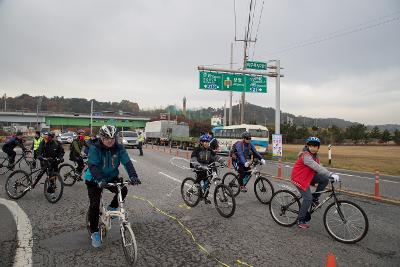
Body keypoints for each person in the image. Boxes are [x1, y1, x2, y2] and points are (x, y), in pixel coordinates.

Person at [85, 125, 141, 248]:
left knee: (124, 189)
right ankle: (94, 232)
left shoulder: (119, 148)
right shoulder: (95, 148)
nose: (110, 140)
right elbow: (93, 166)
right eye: (106, 138)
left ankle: (111, 208)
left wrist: (133, 176)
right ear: (101, 137)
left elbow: (127, 162)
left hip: (111, 177)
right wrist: (99, 180)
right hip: (94, 179)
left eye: (112, 138)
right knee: (94, 205)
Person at [290, 137, 340, 229]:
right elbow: (315, 166)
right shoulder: (305, 155)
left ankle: (315, 199)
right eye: (311, 146)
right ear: (308, 146)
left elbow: (319, 166)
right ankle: (300, 219)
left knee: (325, 179)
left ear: (318, 148)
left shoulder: (315, 156)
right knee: (307, 198)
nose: (313, 148)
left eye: (315, 146)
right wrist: (330, 173)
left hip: (308, 176)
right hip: (299, 178)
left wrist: (328, 175)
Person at [190, 134, 225, 204]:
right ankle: (192, 188)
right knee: (202, 175)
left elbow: (215, 157)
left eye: (207, 142)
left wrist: (222, 161)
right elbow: (193, 159)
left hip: (206, 166)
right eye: (205, 142)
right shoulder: (197, 149)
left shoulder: (209, 149)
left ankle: (204, 197)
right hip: (198, 167)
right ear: (201, 142)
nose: (206, 143)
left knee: (208, 182)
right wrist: (198, 165)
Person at [37, 132, 65, 197]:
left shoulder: (56, 143)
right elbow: (39, 150)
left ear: (51, 138)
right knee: (49, 175)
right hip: (45, 161)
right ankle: (51, 190)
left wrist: (60, 157)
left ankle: (52, 186)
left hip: (54, 162)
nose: (45, 139)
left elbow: (61, 151)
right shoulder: (43, 142)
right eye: (45, 137)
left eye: (47, 137)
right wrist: (39, 156)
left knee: (54, 175)